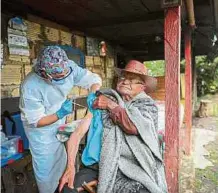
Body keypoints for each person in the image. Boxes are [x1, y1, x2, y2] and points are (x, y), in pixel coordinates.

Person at [59, 60, 168, 193]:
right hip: (95, 167)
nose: (125, 81)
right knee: (66, 189)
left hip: (128, 168)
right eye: (123, 77)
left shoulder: (146, 107)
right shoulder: (101, 102)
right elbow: (76, 135)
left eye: (133, 79)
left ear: (143, 87)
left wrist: (111, 105)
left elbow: (134, 126)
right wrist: (70, 166)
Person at [19, 46, 102, 193]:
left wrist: (93, 94)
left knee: (62, 162)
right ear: (45, 73)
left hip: (59, 121)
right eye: (58, 77)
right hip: (41, 132)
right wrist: (59, 113)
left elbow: (93, 79)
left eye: (65, 74)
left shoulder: (68, 66)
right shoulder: (30, 86)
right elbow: (36, 121)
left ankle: (62, 186)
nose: (64, 78)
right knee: (47, 169)